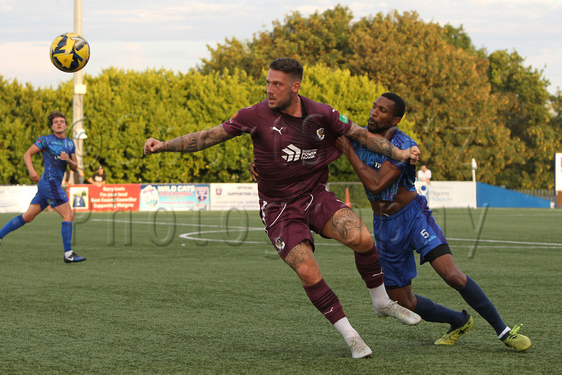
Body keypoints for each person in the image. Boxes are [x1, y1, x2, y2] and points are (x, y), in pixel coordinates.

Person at [144, 58, 422, 359]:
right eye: (267, 83)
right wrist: (165, 145)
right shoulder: (254, 115)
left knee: (362, 238)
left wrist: (400, 152)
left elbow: (361, 135)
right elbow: (209, 136)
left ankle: (381, 303)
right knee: (307, 268)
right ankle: (351, 335)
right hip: (278, 208)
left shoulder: (321, 113)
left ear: (295, 86)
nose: (269, 89)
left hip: (315, 195)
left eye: (277, 84)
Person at [335, 92, 531, 352]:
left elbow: (376, 183)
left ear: (395, 118)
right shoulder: (359, 135)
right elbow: (321, 131)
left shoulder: (403, 144)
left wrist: (348, 151)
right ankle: (459, 321)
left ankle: (504, 331)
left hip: (413, 217)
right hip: (385, 226)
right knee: (403, 301)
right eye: (374, 107)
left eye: (382, 110)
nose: (374, 112)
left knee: (453, 276)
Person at [0, 111, 86, 264]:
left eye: (62, 121)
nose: (59, 123)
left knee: (28, 217)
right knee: (69, 215)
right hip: (49, 183)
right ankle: (68, 254)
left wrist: (68, 160)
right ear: (52, 126)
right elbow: (27, 154)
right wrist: (31, 170)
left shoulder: (70, 144)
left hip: (48, 186)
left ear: (66, 125)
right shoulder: (45, 140)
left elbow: (75, 167)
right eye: (56, 122)